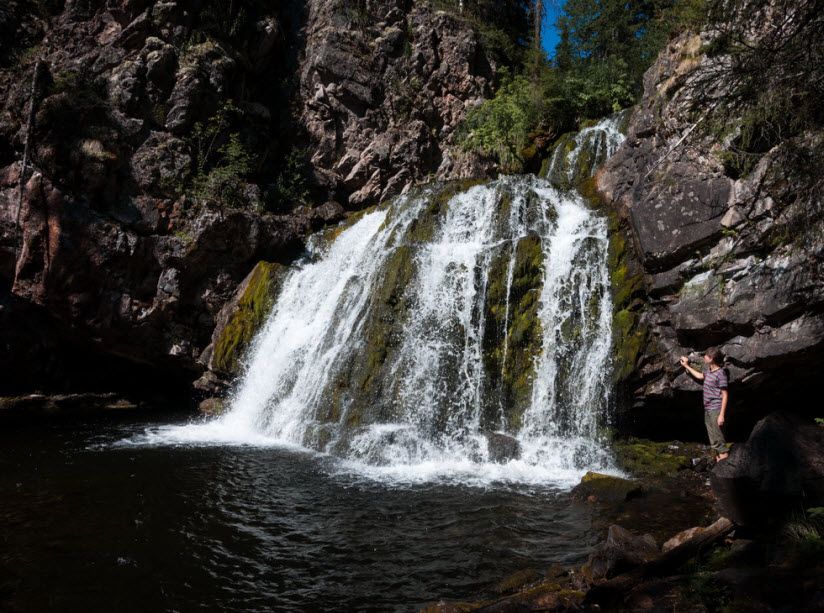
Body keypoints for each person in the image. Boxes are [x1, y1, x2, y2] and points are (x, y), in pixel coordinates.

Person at [679, 347, 729, 461]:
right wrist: (686, 365)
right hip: (708, 409)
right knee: (713, 440)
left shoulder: (720, 373)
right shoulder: (709, 370)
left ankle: (725, 464)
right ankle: (719, 462)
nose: (704, 357)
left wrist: (721, 415)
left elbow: (725, 395)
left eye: (706, 355)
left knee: (719, 440)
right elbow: (700, 376)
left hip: (716, 410)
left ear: (711, 359)